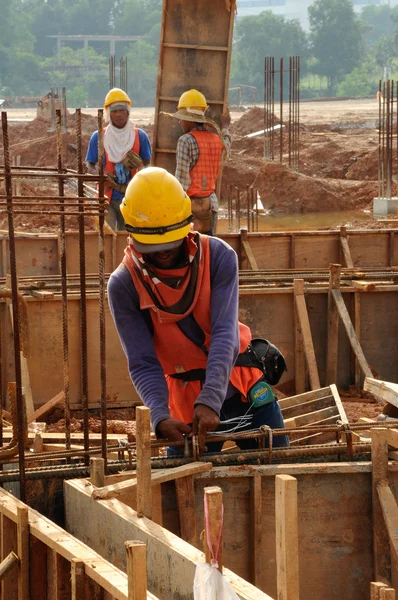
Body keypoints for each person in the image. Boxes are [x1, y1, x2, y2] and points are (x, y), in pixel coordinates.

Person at [107, 167, 288, 454]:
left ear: (186, 227)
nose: (162, 253)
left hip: (243, 388)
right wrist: (159, 416)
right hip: (186, 408)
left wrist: (211, 399)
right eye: (152, 247)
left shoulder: (218, 257)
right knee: (186, 491)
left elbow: (224, 334)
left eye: (169, 244)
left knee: (280, 466)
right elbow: (142, 361)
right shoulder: (124, 285)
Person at [85, 88, 152, 231]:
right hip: (106, 198)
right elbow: (89, 164)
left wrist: (140, 167)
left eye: (122, 110)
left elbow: (148, 167)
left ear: (128, 111)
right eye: (114, 111)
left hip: (132, 198)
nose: (119, 115)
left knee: (127, 238)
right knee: (107, 237)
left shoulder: (140, 136)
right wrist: (100, 174)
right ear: (108, 114)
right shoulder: (99, 137)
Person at [173, 89, 231, 236]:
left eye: (182, 118)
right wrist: (225, 128)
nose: (180, 122)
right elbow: (227, 148)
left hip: (190, 209)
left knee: (189, 252)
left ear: (190, 119)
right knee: (207, 250)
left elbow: (182, 183)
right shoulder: (216, 140)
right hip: (211, 206)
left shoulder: (185, 141)